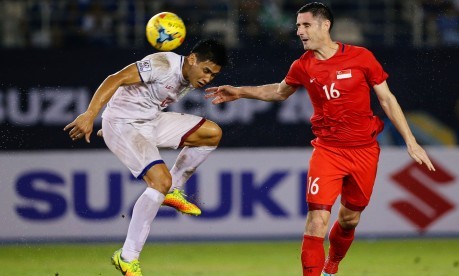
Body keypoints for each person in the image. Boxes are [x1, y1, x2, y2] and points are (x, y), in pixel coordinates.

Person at [205, 2, 435, 276]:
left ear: (325, 25)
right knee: (316, 221)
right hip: (328, 151)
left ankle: (332, 266)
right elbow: (279, 92)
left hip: (364, 151)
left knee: (350, 219)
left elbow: (386, 99)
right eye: (298, 26)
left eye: (306, 25)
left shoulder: (361, 57)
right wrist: (240, 92)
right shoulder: (303, 66)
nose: (300, 31)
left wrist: (411, 140)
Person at [64, 39, 228, 276]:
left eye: (213, 75)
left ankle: (173, 190)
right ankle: (127, 257)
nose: (208, 79)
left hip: (149, 121)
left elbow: (140, 98)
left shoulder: (189, 77)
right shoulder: (162, 64)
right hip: (125, 124)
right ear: (192, 59)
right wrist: (92, 115)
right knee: (160, 181)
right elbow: (116, 78)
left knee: (211, 134)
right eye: (206, 71)